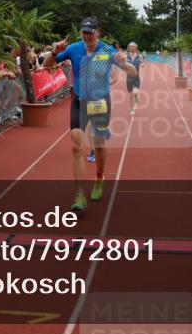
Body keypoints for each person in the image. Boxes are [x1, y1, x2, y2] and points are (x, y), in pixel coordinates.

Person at [44, 17, 137, 212]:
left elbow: (133, 72)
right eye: (84, 32)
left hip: (101, 103)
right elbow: (46, 65)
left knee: (99, 144)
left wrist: (126, 63)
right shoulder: (73, 49)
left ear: (98, 32)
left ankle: (99, 176)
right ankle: (79, 193)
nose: (86, 36)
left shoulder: (108, 51)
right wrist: (54, 51)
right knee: (76, 144)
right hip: (79, 102)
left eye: (90, 32)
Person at [125, 42, 144, 113]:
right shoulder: (126, 56)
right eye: (131, 47)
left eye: (134, 46)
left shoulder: (139, 56)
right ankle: (132, 109)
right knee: (130, 95)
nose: (132, 48)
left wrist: (142, 64)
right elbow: (122, 64)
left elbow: (142, 62)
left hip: (136, 78)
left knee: (135, 93)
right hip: (128, 78)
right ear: (129, 48)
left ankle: (136, 96)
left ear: (136, 48)